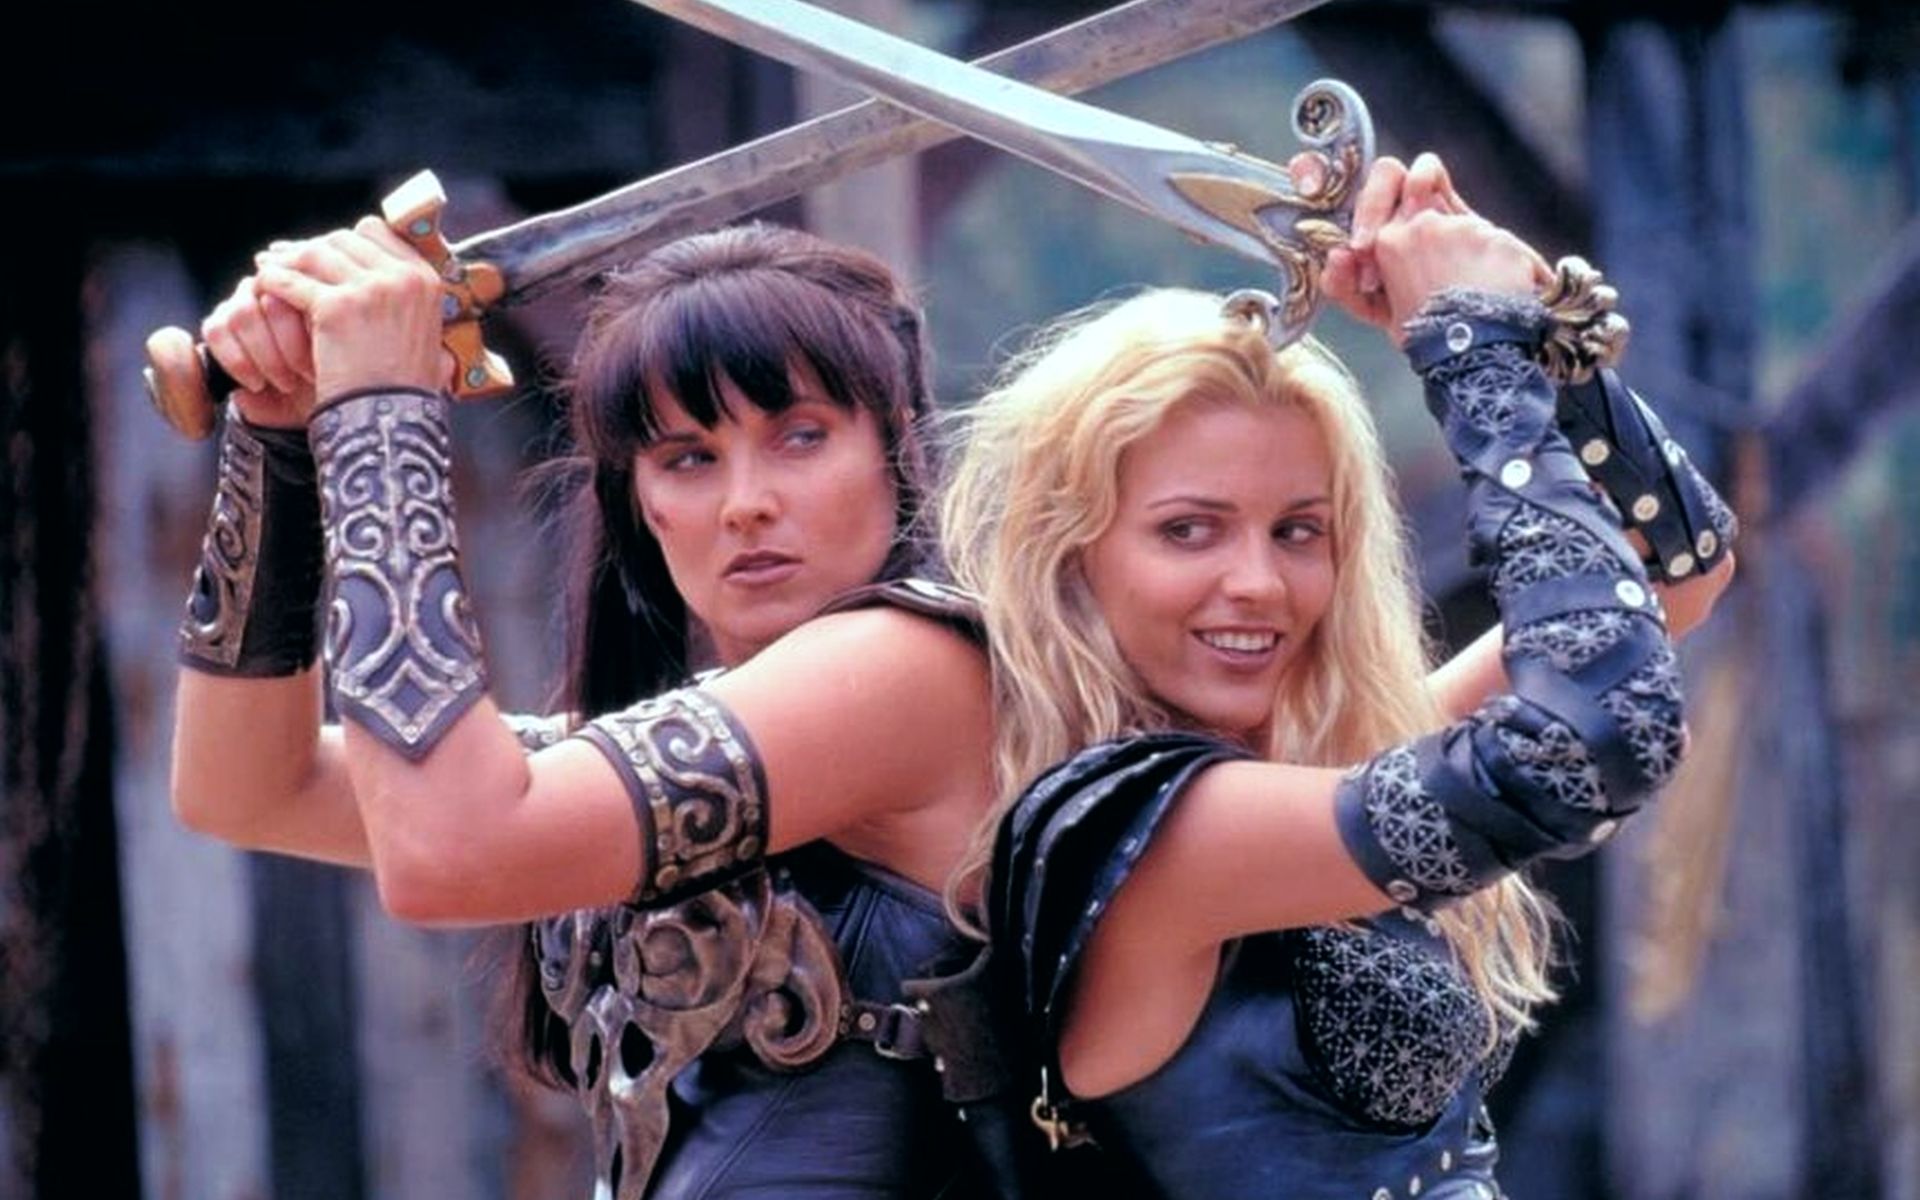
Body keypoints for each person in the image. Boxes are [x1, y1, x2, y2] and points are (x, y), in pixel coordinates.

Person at [168, 152, 1727, 1199]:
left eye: (800, 436)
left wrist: (377, 411)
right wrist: (281, 442)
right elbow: (249, 788)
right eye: (688, 457)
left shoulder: (905, 675)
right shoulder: (710, 745)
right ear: (635, 500)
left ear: (896, 453)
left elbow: (448, 847)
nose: (749, 501)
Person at [938, 157, 1738, 1199]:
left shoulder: (1312, 793)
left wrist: (1536, 326)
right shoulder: (1148, 842)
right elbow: (1599, 736)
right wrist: (1471, 350)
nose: (1258, 583)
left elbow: (1677, 565)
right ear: (1074, 556)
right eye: (1189, 531)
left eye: (1297, 531)